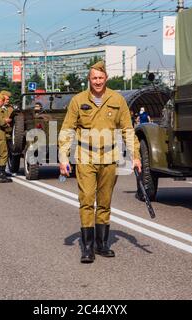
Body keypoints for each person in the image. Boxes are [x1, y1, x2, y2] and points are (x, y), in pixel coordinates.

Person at [58, 61, 142, 264]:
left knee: (104, 201)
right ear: (89, 79)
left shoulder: (117, 99)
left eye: (100, 78)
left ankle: (102, 243)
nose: (97, 81)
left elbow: (128, 130)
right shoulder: (78, 100)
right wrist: (63, 157)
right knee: (87, 199)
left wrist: (135, 156)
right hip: (86, 157)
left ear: (106, 79)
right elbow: (67, 129)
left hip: (110, 158)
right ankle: (87, 247)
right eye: (94, 78)